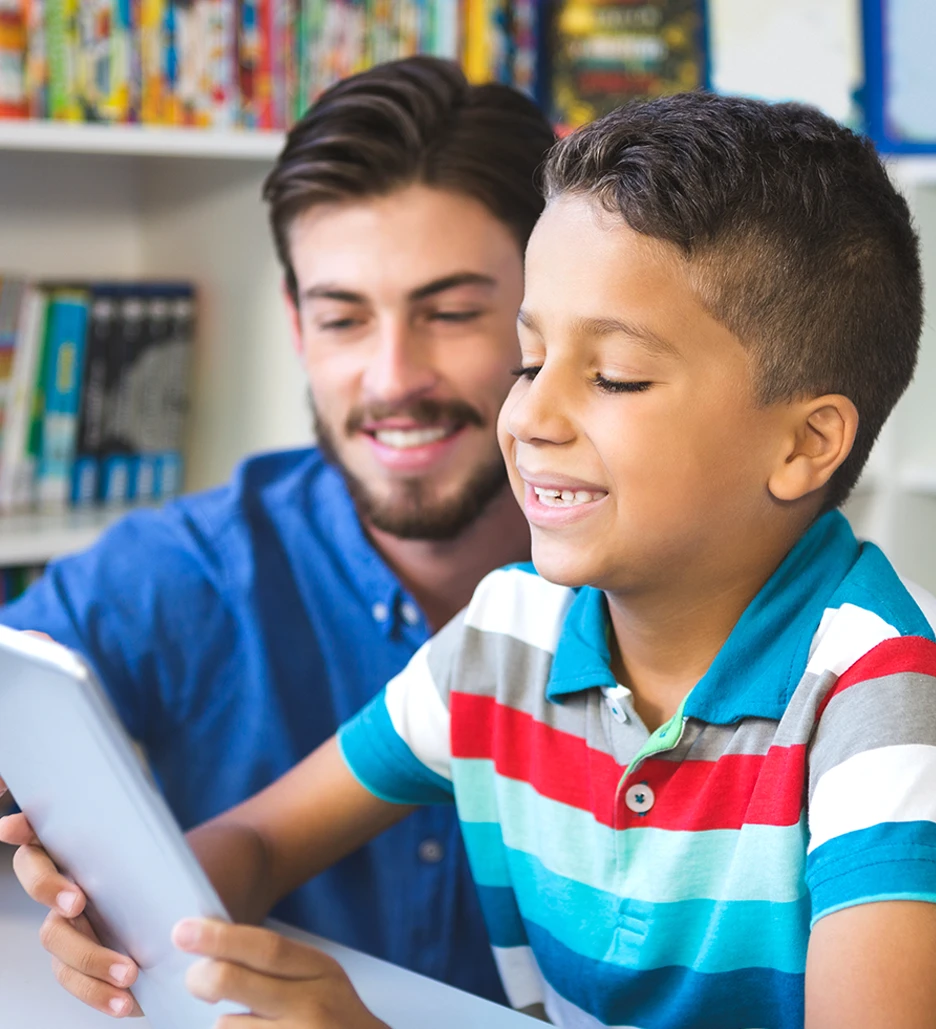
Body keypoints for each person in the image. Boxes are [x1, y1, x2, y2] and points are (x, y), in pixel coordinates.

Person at [6, 91, 936, 1027]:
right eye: (529, 356)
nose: (527, 414)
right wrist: (125, 910)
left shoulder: (892, 721)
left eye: (610, 377)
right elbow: (258, 845)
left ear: (801, 444)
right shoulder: (510, 634)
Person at [0, 56, 555, 1004]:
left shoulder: (659, 592)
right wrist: (66, 875)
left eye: (453, 311)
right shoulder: (188, 569)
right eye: (343, 318)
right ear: (298, 327)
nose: (393, 377)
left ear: (550, 317)